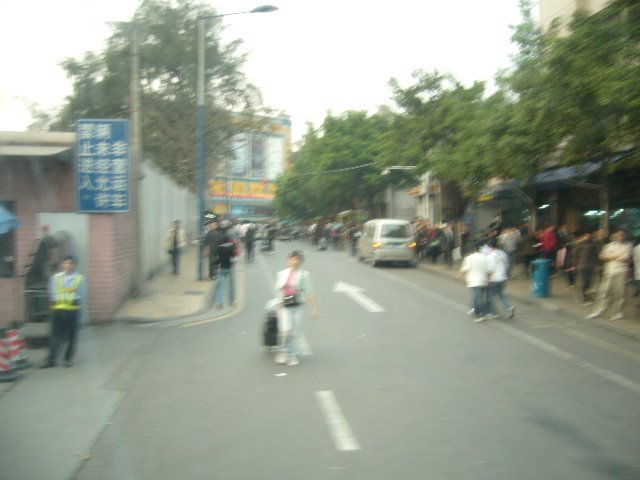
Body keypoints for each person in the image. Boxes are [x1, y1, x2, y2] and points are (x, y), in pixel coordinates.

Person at [41, 256, 87, 368]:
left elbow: (83, 295)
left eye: (71, 263)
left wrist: (76, 303)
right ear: (62, 265)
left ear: (75, 265)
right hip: (58, 311)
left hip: (73, 311)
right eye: (66, 263)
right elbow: (51, 292)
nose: (68, 265)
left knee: (72, 336)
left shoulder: (80, 278)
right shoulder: (56, 277)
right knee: (55, 336)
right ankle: (51, 360)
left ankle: (68, 359)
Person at [274, 250, 319, 366]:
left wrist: (313, 309)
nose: (295, 261)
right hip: (285, 306)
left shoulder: (304, 275)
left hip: (298, 306)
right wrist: (279, 303)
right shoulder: (282, 274)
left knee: (295, 332)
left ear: (301, 262)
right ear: (289, 260)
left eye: (298, 259)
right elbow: (279, 290)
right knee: (286, 331)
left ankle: (292, 354)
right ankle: (284, 353)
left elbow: (310, 292)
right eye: (293, 259)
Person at [586, 230, 633, 320]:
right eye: (618, 235)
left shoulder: (628, 245)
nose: (620, 236)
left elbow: (625, 258)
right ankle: (598, 310)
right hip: (609, 271)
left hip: (621, 272)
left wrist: (611, 256)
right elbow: (602, 256)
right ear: (614, 235)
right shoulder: (609, 245)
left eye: (622, 235)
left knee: (619, 293)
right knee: (604, 292)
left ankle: (617, 312)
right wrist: (617, 256)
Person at [460, 242, 490, 322]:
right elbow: (488, 270)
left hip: (474, 280)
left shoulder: (469, 258)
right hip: (483, 279)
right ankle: (476, 310)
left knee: (478, 297)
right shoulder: (484, 257)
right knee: (478, 296)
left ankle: (482, 313)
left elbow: (465, 269)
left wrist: (460, 276)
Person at [486, 238, 515, 319]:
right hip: (503, 277)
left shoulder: (491, 256)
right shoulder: (503, 254)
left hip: (495, 279)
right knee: (501, 294)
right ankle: (510, 307)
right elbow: (506, 265)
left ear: (491, 246)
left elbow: (490, 270)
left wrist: (488, 280)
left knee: (491, 296)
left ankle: (494, 312)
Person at [213, 229, 238, 309]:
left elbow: (217, 258)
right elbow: (234, 256)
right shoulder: (232, 246)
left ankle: (220, 302)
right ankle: (232, 300)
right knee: (232, 285)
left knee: (221, 285)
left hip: (222, 268)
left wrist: (216, 266)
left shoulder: (219, 247)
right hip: (230, 267)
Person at [573, 231, 598, 305]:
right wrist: (574, 265)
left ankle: (586, 294)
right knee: (585, 281)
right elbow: (576, 255)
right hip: (582, 265)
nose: (588, 237)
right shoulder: (580, 244)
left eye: (589, 235)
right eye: (586, 235)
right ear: (584, 236)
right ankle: (584, 295)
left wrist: (597, 265)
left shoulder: (593, 244)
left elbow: (595, 255)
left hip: (591, 265)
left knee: (590, 281)